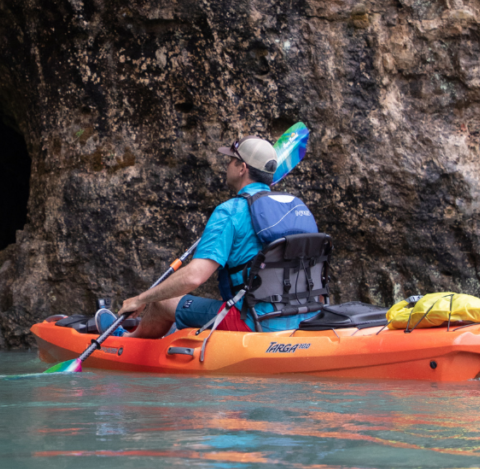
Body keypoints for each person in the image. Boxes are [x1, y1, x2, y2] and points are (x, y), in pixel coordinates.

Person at [95, 135, 319, 338]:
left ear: (242, 168)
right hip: (304, 316)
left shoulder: (231, 211)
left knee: (162, 302)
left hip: (252, 322)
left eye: (231, 160)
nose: (227, 165)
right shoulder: (298, 209)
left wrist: (141, 299)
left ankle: (126, 340)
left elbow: (194, 277)